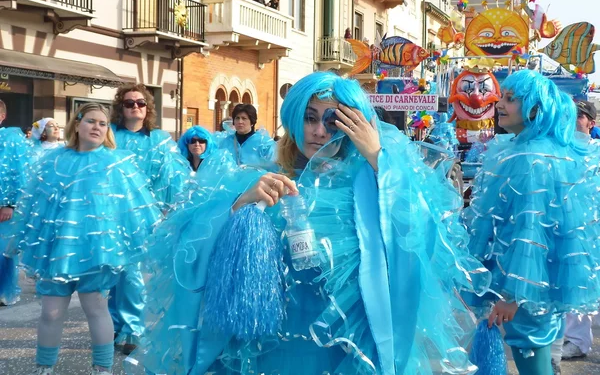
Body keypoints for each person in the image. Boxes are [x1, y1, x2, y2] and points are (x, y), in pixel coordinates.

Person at [132, 72, 490, 375]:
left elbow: (419, 238)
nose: (320, 130)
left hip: (341, 346)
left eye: (333, 120)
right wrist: (240, 205)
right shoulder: (261, 180)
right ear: (293, 119)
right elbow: (187, 246)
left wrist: (378, 160)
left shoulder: (371, 187)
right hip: (266, 347)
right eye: (309, 117)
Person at [5, 103, 162, 375]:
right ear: (77, 125)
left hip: (97, 252)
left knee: (96, 309)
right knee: (51, 312)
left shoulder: (116, 164)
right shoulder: (54, 160)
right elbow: (36, 206)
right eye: (91, 121)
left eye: (102, 123)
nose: (97, 127)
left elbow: (133, 210)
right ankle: (44, 367)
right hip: (57, 250)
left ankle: (101, 368)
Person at [465, 70, 600, 375]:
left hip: (525, 293)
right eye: (502, 96)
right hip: (541, 289)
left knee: (533, 363)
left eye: (511, 99)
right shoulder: (548, 151)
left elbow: (530, 233)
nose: (500, 103)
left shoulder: (529, 157)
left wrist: (513, 296)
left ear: (536, 109)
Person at [109, 83, 191, 355]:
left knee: (133, 273)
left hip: (144, 215)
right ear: (121, 107)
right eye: (129, 103)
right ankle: (117, 325)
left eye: (141, 103)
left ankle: (131, 329)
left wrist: (168, 209)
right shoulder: (110, 136)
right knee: (114, 272)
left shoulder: (158, 139)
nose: (135, 107)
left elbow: (174, 178)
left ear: (148, 108)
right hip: (110, 213)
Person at [560, 99, 599, 362]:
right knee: (567, 283)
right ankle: (569, 336)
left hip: (591, 231)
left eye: (580, 115)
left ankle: (578, 341)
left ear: (591, 123)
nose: (574, 119)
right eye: (570, 115)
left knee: (583, 284)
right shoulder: (559, 149)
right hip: (565, 227)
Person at [0, 100, 33, 306]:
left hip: (3, 204)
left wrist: (9, 203)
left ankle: (4, 291)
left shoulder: (11, 138)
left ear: (2, 116)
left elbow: (19, 172)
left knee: (3, 250)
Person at [216, 103, 277, 167]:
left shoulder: (265, 144)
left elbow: (273, 168)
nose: (240, 121)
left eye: (244, 118)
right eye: (237, 118)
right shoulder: (225, 142)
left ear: (252, 122)